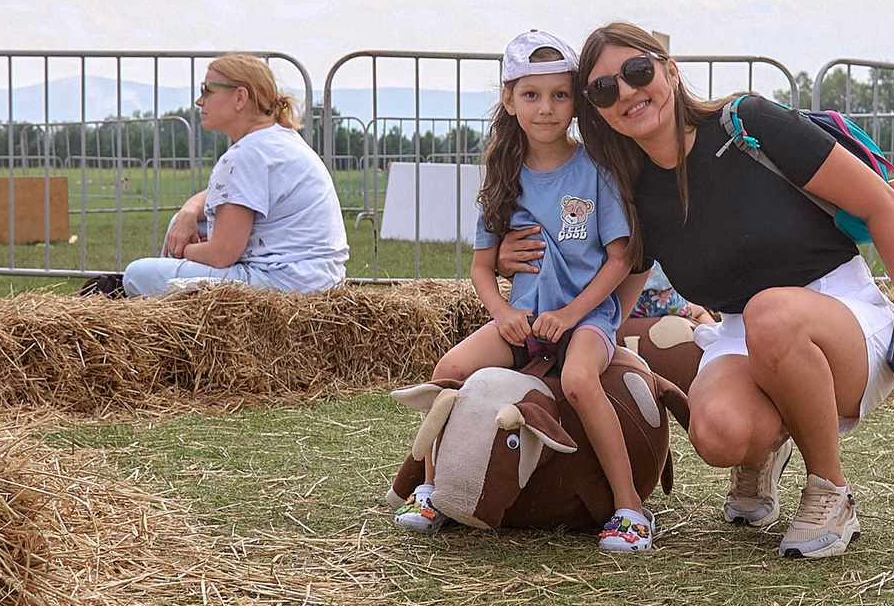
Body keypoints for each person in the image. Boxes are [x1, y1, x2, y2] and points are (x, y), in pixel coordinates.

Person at [571, 22, 894, 559]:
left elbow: (881, 204)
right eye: (603, 89)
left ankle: (830, 490)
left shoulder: (746, 124)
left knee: (771, 313)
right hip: (748, 328)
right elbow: (631, 268)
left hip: (840, 311)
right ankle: (764, 449)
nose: (626, 92)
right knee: (716, 435)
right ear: (596, 109)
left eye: (637, 71)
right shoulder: (631, 185)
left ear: (669, 70)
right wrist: (588, 332)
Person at [394, 32, 652, 556]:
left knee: (579, 381)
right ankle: (433, 488)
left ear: (575, 102)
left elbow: (621, 259)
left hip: (585, 320)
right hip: (524, 321)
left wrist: (574, 314)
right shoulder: (502, 173)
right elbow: (482, 267)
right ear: (509, 101)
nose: (546, 108)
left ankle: (630, 509)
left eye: (560, 95)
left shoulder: (597, 170)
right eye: (531, 95)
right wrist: (502, 313)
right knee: (451, 370)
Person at [124, 54, 348, 296]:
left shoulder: (247, 154)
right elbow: (226, 196)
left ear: (240, 97)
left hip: (281, 286)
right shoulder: (276, 140)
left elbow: (222, 254)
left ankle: (169, 320)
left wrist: (184, 249)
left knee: (136, 275)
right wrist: (188, 210)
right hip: (314, 281)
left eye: (208, 91)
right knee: (181, 223)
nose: (200, 101)